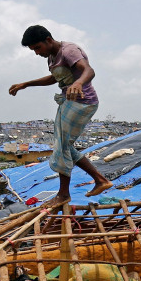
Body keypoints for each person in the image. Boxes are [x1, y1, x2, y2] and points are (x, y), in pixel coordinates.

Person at [8, 25, 112, 207]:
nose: (37, 53)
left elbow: (89, 70)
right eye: (33, 50)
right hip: (68, 101)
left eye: (37, 48)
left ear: (48, 40)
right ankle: (100, 180)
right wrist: (26, 84)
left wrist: (79, 83)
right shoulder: (51, 56)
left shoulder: (69, 50)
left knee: (61, 146)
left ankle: (64, 194)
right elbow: (55, 78)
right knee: (65, 146)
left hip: (82, 101)